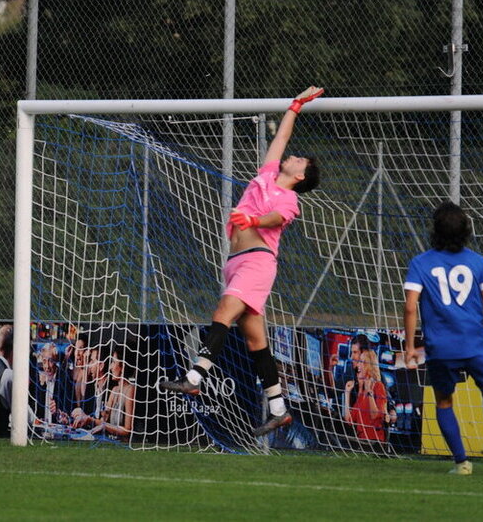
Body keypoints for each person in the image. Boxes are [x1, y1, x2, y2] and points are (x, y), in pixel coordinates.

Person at [161, 86, 324, 436]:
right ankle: (279, 408)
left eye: (299, 161)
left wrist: (252, 221)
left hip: (257, 263)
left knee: (222, 313)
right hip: (237, 262)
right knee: (255, 342)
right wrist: (295, 105)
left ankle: (194, 377)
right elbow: (281, 136)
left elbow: (277, 219)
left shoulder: (290, 200)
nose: (292, 157)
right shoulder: (267, 175)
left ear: (300, 176)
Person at [403, 202, 483, 476]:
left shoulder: (420, 262)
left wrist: (409, 347)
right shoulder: (479, 262)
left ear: (435, 231)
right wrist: (481, 330)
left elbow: (409, 307)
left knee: (443, 402)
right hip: (474, 342)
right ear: (466, 231)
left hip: (440, 348)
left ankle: (462, 463)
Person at [343, 348, 387, 441]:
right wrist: (347, 393)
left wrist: (369, 392)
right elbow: (349, 420)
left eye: (362, 362)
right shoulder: (362, 394)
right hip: (361, 441)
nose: (358, 365)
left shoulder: (379, 386)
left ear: (369, 365)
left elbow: (376, 417)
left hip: (374, 442)